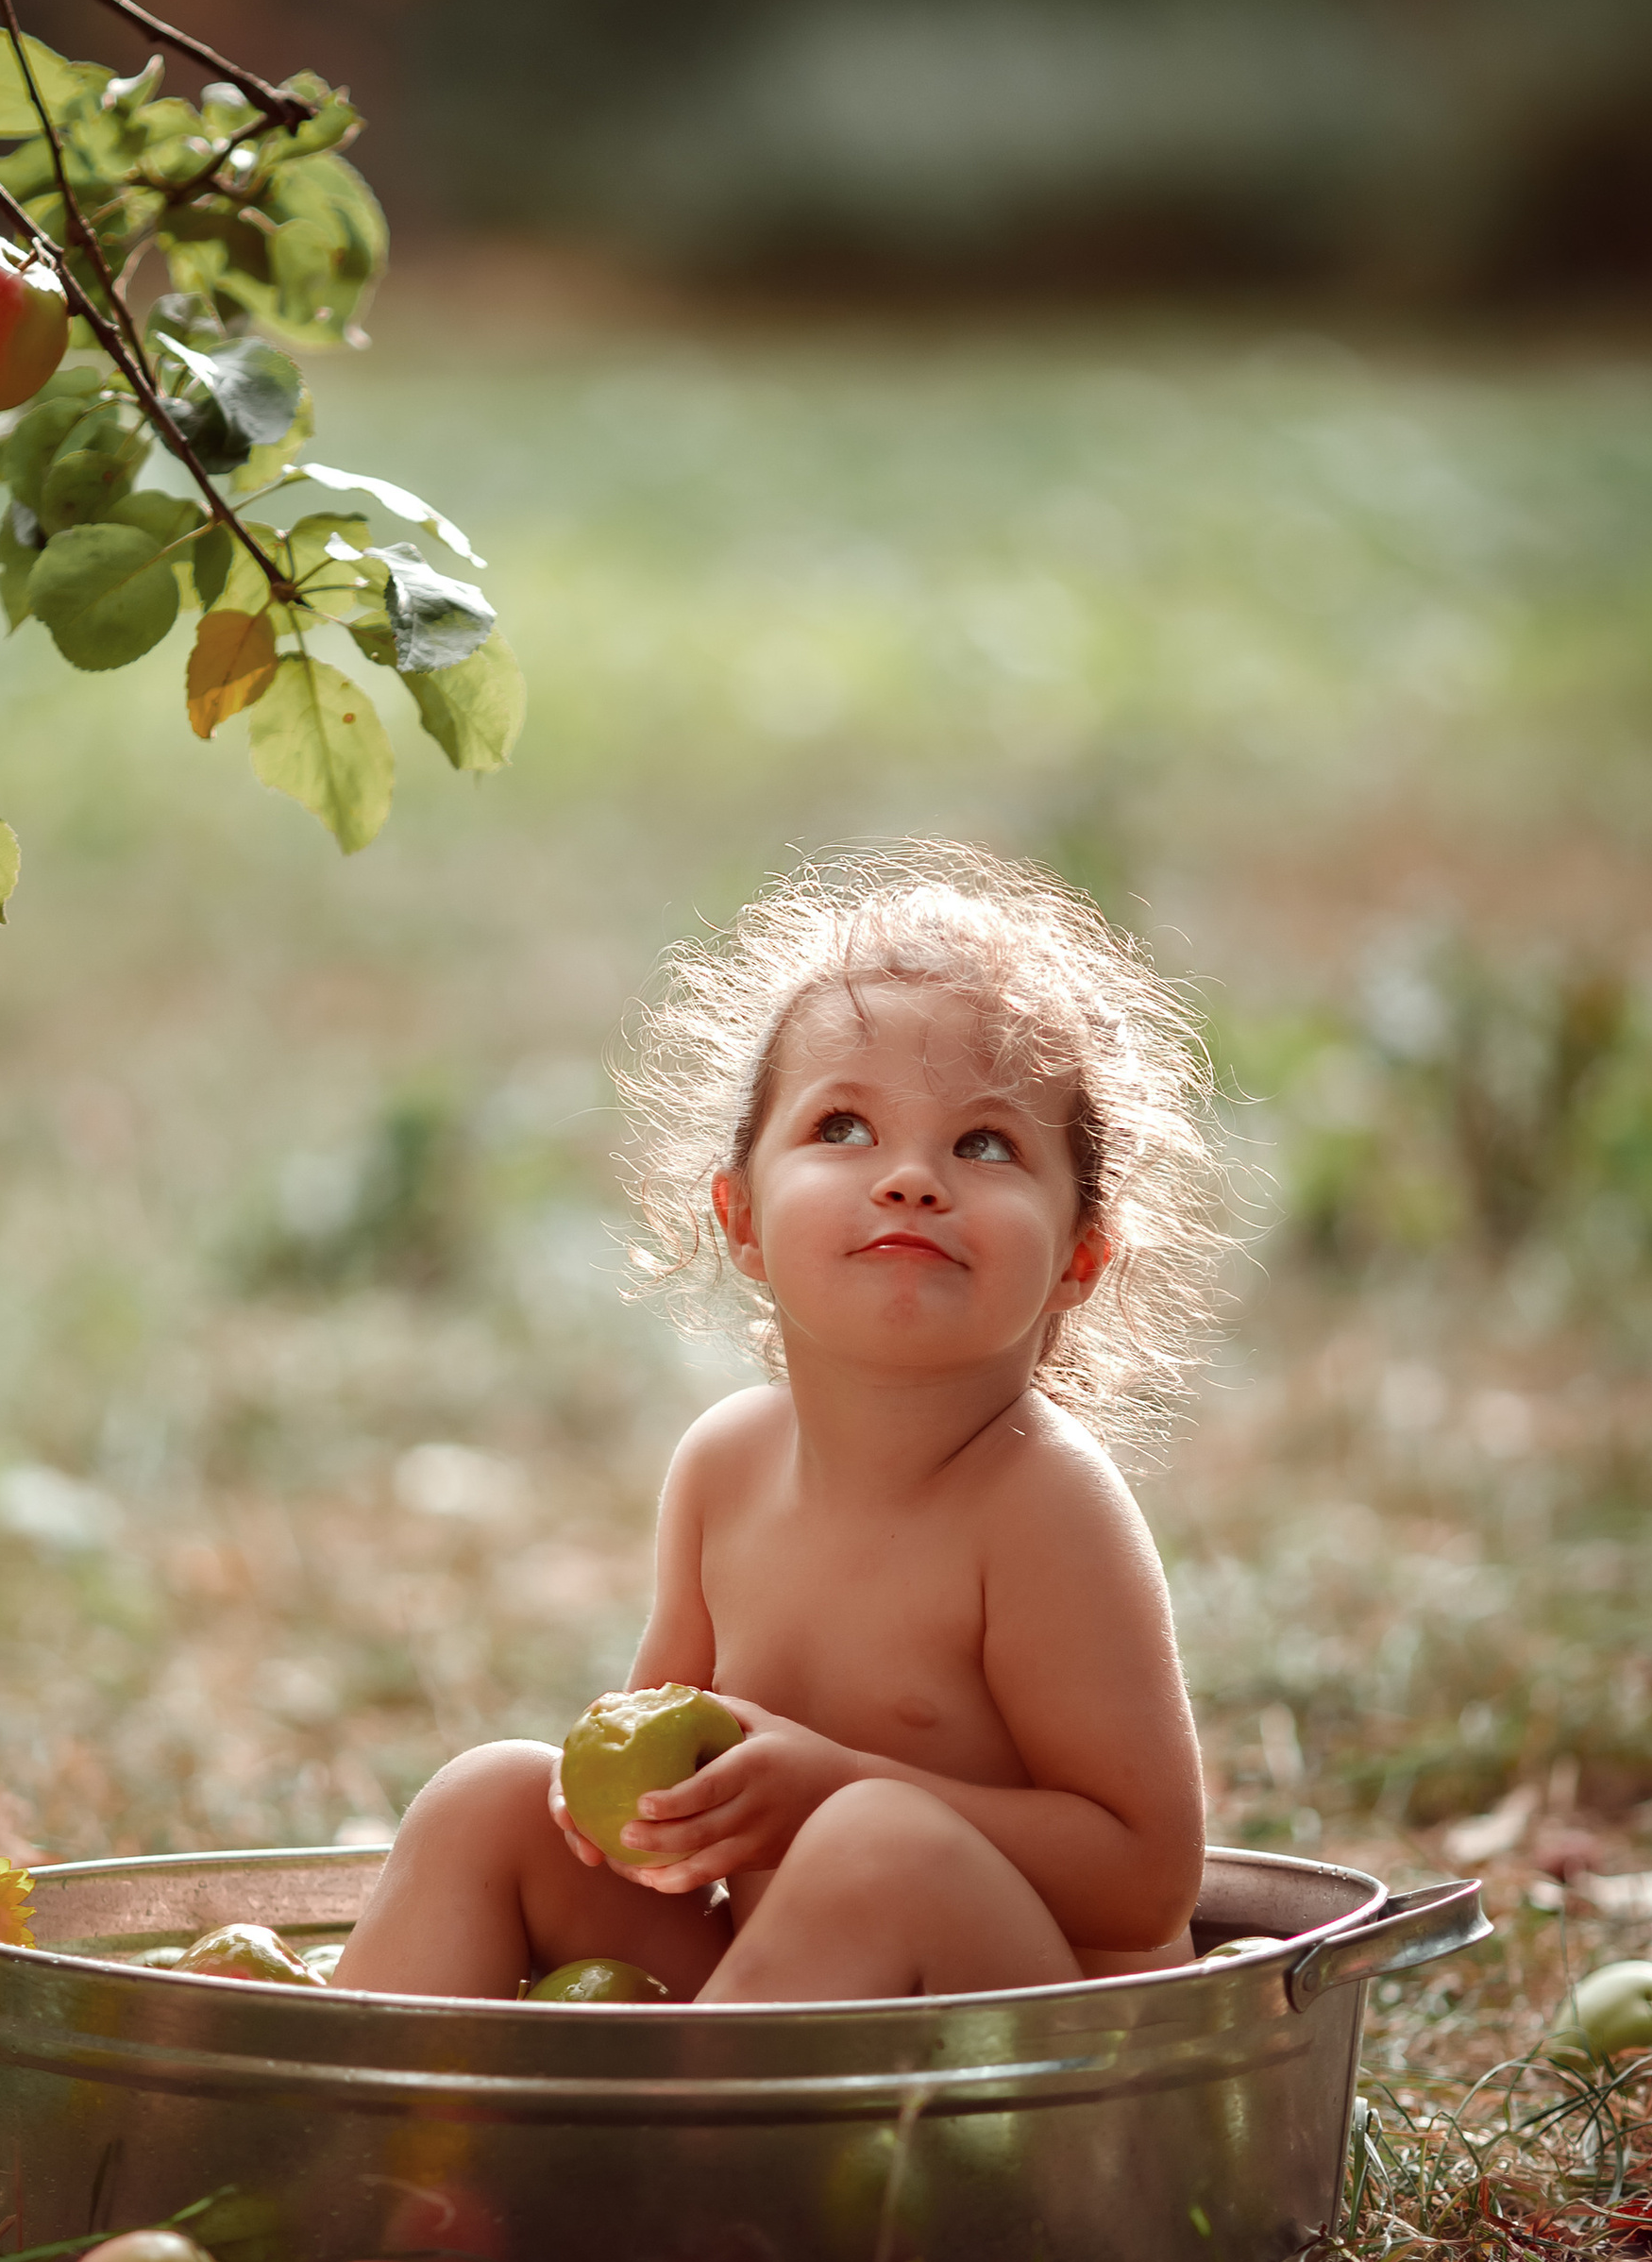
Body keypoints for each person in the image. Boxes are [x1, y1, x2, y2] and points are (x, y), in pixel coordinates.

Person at [331, 845, 1230, 2007]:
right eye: (844, 1127)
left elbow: (1146, 1883)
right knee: (489, 1795)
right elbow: (656, 1796)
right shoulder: (725, 1470)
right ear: (741, 1217)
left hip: (1026, 2057)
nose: (910, 1178)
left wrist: (833, 1787)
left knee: (878, 1843)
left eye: (985, 1144)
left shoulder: (1042, 1504)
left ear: (1080, 1256)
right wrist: (622, 1820)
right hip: (789, 2024)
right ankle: (336, 2111)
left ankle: (659, 2125)